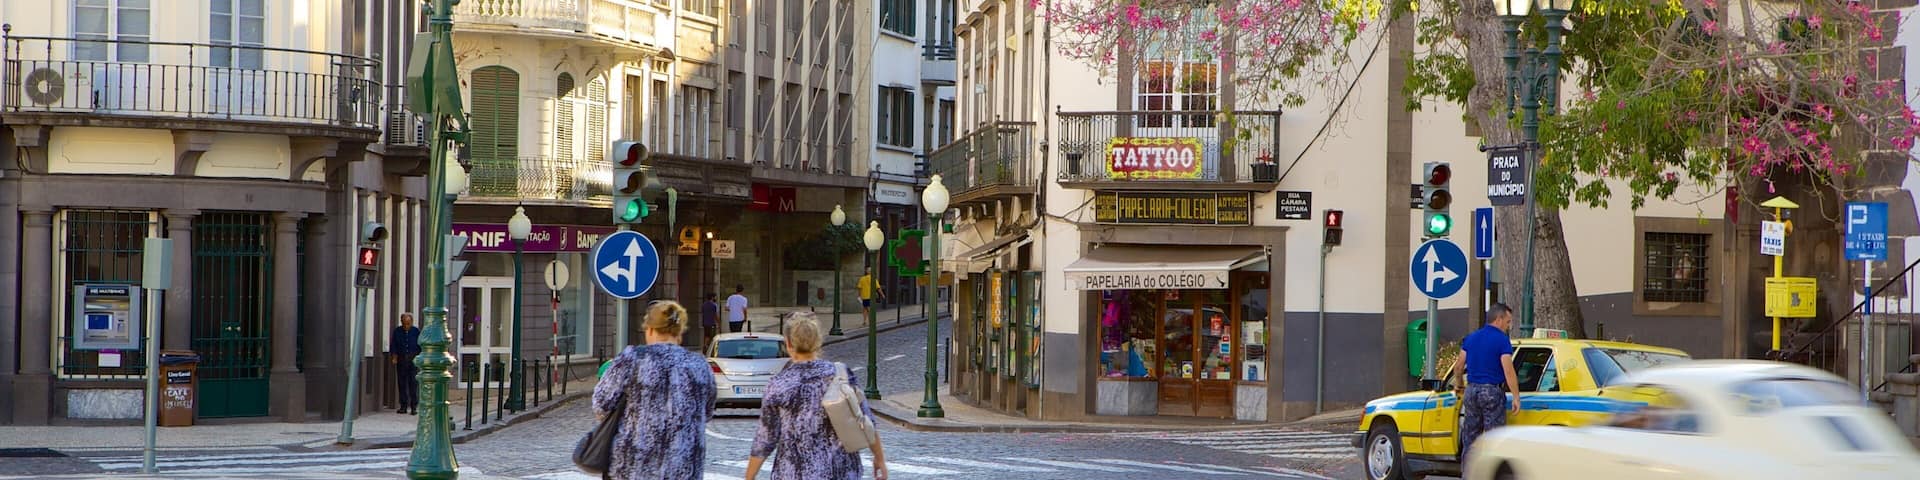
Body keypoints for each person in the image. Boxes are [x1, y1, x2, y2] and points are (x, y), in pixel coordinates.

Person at [745, 313, 889, 480]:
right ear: (818, 341)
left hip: (794, 473)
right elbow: (865, 419)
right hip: (842, 472)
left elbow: (765, 439)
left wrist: (749, 476)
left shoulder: (778, 385)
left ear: (788, 343)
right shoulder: (841, 373)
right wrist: (879, 458)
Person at [593, 301, 717, 480]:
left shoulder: (632, 358)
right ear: (679, 331)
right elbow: (707, 412)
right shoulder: (700, 365)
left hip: (634, 468)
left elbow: (601, 404)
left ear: (649, 329)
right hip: (684, 469)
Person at [1451, 302, 1522, 462]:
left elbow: (1459, 367)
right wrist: (1516, 397)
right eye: (1508, 322)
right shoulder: (1502, 340)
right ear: (1498, 319)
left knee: (1471, 439)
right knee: (1494, 439)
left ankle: (1468, 472)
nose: (1508, 326)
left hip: (1471, 391)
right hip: (1491, 392)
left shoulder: (1471, 338)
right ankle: (1490, 471)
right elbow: (1508, 370)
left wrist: (1459, 385)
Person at [389, 313, 421, 414]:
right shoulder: (397, 331)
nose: (406, 326)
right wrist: (394, 357)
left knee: (413, 383)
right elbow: (394, 345)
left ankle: (414, 406)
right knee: (402, 383)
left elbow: (420, 346)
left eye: (408, 323)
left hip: (413, 360)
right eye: (404, 323)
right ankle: (403, 405)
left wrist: (419, 358)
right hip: (402, 359)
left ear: (411, 322)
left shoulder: (416, 331)